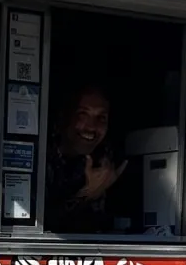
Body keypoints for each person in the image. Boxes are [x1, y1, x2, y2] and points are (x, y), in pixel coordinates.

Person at [45, 85, 127, 233]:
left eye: (101, 118)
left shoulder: (104, 158)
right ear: (65, 117)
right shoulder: (39, 153)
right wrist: (86, 195)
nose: (91, 127)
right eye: (83, 115)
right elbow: (41, 226)